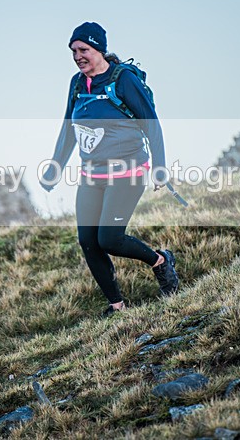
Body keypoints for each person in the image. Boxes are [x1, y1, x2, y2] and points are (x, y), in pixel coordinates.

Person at [41, 22, 179, 317]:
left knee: (110, 239)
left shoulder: (123, 79)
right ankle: (117, 306)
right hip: (92, 175)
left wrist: (159, 166)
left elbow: (150, 122)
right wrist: (55, 166)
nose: (78, 56)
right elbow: (69, 129)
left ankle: (161, 261)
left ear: (99, 49)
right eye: (73, 50)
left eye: (84, 50)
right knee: (88, 241)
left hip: (128, 172)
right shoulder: (77, 84)